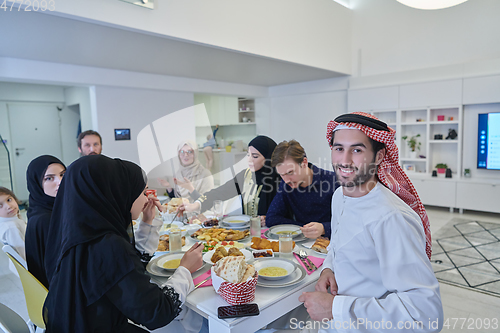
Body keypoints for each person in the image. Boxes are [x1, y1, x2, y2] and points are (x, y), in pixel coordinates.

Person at [299, 112, 442, 332]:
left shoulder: (391, 218)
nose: (344, 160)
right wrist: (329, 269)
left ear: (378, 156)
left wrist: (336, 308)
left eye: (356, 150)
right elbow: (337, 246)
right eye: (339, 148)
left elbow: (425, 316)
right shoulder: (339, 196)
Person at [42, 155, 204, 332]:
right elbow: (157, 312)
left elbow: (123, 274)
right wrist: (185, 270)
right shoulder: (107, 244)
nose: (146, 200)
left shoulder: (76, 233)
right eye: (142, 192)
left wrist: (147, 223)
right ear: (118, 193)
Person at [181, 135, 280, 224]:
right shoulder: (245, 175)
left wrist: (269, 219)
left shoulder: (280, 179)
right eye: (248, 155)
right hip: (249, 232)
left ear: (269, 157)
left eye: (254, 156)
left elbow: (287, 212)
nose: (249, 160)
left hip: (275, 235)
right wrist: (197, 204)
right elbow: (220, 192)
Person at [266, 140, 338, 239]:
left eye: (290, 172)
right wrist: (302, 228)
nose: (286, 180)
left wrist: (324, 228)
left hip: (330, 244)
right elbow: (271, 218)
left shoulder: (333, 181)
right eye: (282, 175)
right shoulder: (287, 184)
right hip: (301, 244)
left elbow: (350, 223)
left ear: (304, 163)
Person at [25, 155, 66, 288]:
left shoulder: (39, 208)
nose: (60, 181)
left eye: (63, 175)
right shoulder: (46, 219)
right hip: (58, 291)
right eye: (49, 178)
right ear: (36, 183)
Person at [0, 187, 26, 260]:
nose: (9, 206)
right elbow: (23, 252)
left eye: (9, 200)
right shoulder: (11, 227)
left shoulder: (13, 218)